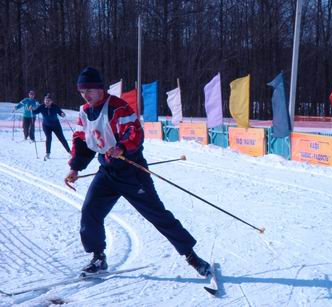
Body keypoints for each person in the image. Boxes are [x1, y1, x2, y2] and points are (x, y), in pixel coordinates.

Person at [64, 67, 210, 276]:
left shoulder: (117, 107)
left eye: (89, 90)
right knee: (90, 212)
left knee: (157, 215)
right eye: (81, 91)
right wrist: (75, 168)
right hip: (107, 171)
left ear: (100, 89)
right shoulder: (85, 112)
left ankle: (191, 256)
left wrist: (122, 147)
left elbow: (135, 132)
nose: (85, 95)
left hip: (131, 171)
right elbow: (81, 141)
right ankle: (98, 257)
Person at [32, 93, 71, 160]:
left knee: (61, 138)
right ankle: (48, 153)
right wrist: (31, 109)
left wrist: (62, 114)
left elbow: (60, 113)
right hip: (46, 126)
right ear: (44, 101)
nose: (47, 102)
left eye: (48, 100)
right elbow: (35, 112)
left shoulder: (55, 106)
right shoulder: (42, 107)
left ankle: (70, 152)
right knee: (48, 138)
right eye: (46, 100)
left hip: (56, 125)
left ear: (51, 101)